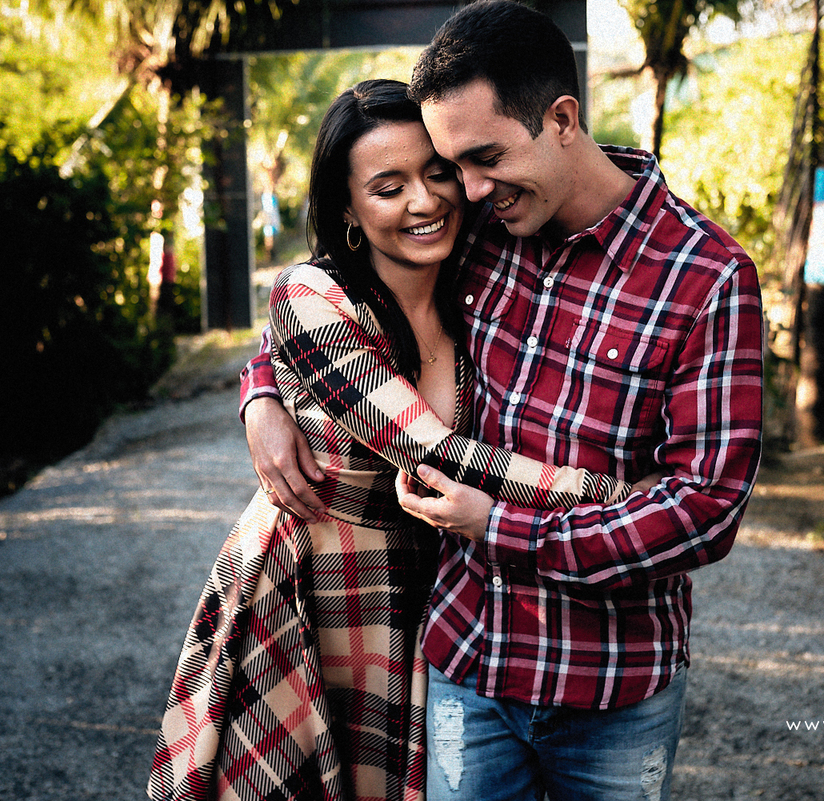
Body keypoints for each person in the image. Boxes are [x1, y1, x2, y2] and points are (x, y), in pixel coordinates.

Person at [242, 2, 765, 798]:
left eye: (482, 158)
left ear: (561, 119)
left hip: (613, 683)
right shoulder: (483, 229)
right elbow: (340, 304)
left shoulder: (706, 278)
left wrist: (503, 525)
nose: (468, 191)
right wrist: (260, 392)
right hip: (465, 663)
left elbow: (706, 508)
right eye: (457, 165)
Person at [148, 79, 632, 801]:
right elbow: (433, 450)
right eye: (388, 185)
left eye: (437, 172)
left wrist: (259, 391)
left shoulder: (479, 272)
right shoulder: (314, 294)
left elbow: (567, 173)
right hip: (314, 582)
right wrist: (606, 495)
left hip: (432, 583)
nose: (424, 201)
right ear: (347, 206)